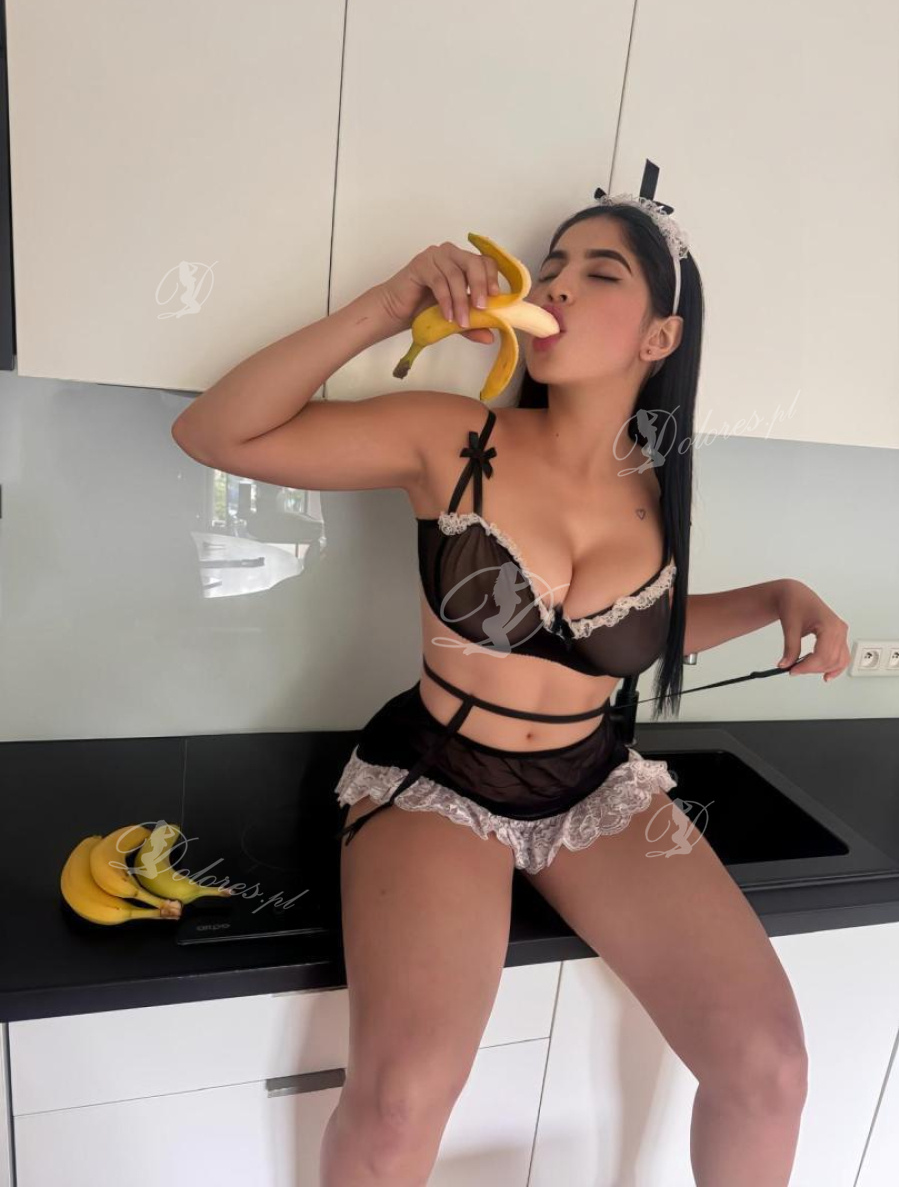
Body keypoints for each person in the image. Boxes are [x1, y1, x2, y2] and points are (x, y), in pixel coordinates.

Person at [171, 191, 823, 1185]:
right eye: (551, 265)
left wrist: (775, 598)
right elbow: (217, 434)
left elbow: (630, 635)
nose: (556, 284)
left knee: (771, 1067)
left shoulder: (656, 487)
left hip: (594, 786)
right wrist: (390, 306)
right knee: (400, 1099)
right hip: (438, 778)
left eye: (599, 272)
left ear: (660, 336)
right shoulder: (454, 437)